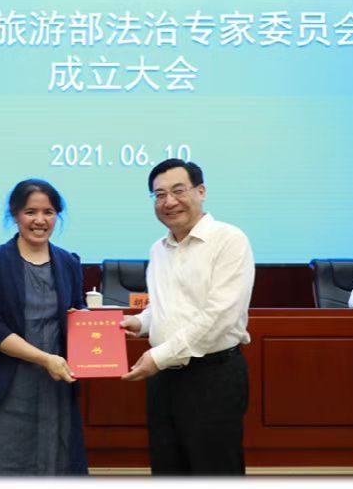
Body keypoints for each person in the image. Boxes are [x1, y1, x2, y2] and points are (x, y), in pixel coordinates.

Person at [119, 159, 255, 475]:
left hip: (212, 375)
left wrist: (159, 356)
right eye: (159, 194)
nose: (169, 202)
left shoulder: (230, 240)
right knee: (167, 467)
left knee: (215, 469)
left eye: (178, 191)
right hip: (164, 378)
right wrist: (140, 323)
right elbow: (165, 306)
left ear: (201, 191)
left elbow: (219, 315)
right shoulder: (158, 249)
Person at [0, 179, 88, 475]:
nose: (40, 220)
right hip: (7, 384)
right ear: (15, 214)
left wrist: (87, 322)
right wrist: (44, 359)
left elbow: (76, 313)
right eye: (31, 212)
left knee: (56, 464)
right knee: (2, 464)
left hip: (55, 384)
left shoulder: (69, 262)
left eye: (49, 212)